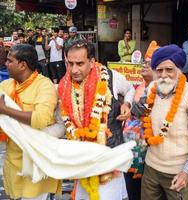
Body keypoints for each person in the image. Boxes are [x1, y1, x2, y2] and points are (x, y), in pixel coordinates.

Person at [58, 39, 134, 200]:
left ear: (92, 62)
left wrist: (127, 104)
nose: (74, 69)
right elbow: (63, 121)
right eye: (69, 63)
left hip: (109, 160)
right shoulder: (64, 86)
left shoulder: (110, 77)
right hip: (83, 160)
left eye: (79, 63)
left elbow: (130, 89)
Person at [131, 44, 188, 200]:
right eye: (159, 70)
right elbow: (137, 111)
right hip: (150, 168)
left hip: (178, 173)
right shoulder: (153, 88)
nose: (164, 75)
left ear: (179, 70)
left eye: (169, 69)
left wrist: (186, 173)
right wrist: (136, 99)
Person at [0, 44, 61, 199]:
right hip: (13, 162)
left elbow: (40, 119)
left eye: (10, 61)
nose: (5, 64)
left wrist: (6, 110)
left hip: (36, 162)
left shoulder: (44, 85)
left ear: (22, 65)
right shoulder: (6, 86)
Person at [124, 41, 157, 200]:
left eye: (149, 63)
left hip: (147, 153)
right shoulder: (138, 86)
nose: (144, 65)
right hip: (131, 151)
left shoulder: (158, 88)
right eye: (144, 61)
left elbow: (138, 110)